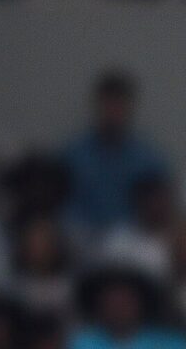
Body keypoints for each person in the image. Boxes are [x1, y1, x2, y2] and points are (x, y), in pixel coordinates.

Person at [62, 68, 170, 236]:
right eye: (108, 104)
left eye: (119, 105)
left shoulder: (149, 161)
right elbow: (63, 206)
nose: (113, 112)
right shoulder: (73, 155)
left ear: (129, 107)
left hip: (131, 243)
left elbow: (160, 215)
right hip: (80, 242)